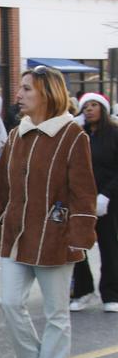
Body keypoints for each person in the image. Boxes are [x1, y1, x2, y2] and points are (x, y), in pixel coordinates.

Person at [0, 66, 96, 358]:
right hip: (17, 234)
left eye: (26, 89)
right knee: (10, 302)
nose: (19, 95)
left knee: (57, 313)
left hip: (55, 236)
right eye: (20, 89)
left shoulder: (74, 136)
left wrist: (80, 233)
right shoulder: (16, 135)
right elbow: (0, 188)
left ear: (47, 93)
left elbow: (84, 192)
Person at [70, 92, 118, 313]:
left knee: (109, 248)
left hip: (109, 200)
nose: (88, 109)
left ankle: (111, 293)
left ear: (103, 109)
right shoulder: (80, 135)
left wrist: (106, 195)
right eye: (85, 106)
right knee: (78, 246)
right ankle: (83, 290)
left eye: (93, 105)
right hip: (81, 199)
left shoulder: (114, 134)